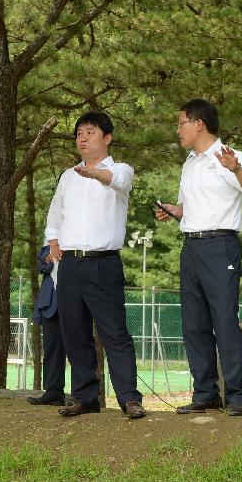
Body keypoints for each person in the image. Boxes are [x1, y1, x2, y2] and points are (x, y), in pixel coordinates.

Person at [156, 99, 242, 417]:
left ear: (198, 123)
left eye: (181, 123)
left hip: (221, 247)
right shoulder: (190, 163)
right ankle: (205, 393)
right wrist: (174, 211)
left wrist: (236, 169)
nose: (178, 130)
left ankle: (239, 396)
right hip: (191, 246)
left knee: (224, 321)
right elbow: (190, 207)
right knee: (194, 324)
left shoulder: (229, 155)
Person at [45, 111, 145, 419]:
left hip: (104, 264)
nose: (83, 138)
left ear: (107, 137)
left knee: (114, 333)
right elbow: (55, 212)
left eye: (90, 132)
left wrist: (94, 173)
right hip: (70, 265)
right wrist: (53, 241)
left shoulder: (121, 169)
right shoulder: (68, 175)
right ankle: (86, 397)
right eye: (78, 134)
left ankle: (129, 398)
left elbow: (117, 181)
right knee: (74, 332)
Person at [27, 244, 67, 406]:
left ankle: (84, 395)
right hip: (51, 302)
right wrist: (48, 257)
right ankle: (54, 392)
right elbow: (42, 265)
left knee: (80, 346)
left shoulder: (82, 235)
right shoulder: (50, 241)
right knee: (52, 348)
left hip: (75, 298)